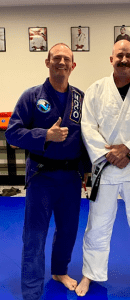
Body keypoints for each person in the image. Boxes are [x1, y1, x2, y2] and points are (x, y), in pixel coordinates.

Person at [75, 39, 130, 298]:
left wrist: (127, 150)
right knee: (98, 224)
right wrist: (108, 154)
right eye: (119, 55)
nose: (124, 59)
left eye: (128, 55)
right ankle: (90, 273)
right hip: (105, 168)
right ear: (111, 59)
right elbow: (87, 126)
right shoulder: (96, 89)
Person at [5, 43, 91, 300]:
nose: (61, 62)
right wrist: (45, 135)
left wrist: (86, 169)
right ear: (47, 62)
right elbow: (12, 132)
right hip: (42, 176)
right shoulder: (32, 97)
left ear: (73, 65)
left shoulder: (80, 98)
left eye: (66, 59)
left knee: (68, 229)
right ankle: (31, 290)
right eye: (56, 58)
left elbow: (87, 136)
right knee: (35, 233)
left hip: (71, 177)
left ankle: (59, 271)